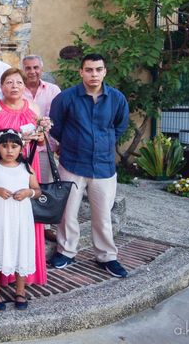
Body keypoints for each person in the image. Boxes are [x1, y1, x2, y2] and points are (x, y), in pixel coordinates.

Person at [49, 54, 130, 278]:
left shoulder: (116, 98)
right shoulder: (66, 98)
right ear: (81, 72)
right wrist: (73, 143)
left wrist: (105, 143)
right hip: (72, 163)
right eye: (89, 70)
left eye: (98, 69)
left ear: (104, 72)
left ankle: (107, 256)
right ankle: (66, 252)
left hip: (104, 167)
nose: (93, 74)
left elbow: (120, 126)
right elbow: (56, 127)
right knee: (68, 212)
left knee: (103, 214)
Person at [0, 67, 47, 286]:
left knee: (24, 216)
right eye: (9, 83)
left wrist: (39, 137)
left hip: (27, 166)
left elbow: (41, 143)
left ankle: (24, 272)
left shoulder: (34, 108)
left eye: (18, 82)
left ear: (24, 85)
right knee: (0, 220)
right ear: (2, 86)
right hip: (0, 168)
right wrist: (10, 139)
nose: (14, 87)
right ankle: (0, 273)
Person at [0, 129, 40, 311]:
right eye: (4, 146)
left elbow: (38, 190)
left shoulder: (26, 167)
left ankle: (20, 290)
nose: (9, 150)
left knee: (20, 247)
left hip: (20, 214)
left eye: (14, 146)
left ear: (21, 149)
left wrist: (28, 192)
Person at [22, 54, 61, 242]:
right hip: (23, 148)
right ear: (23, 70)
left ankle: (44, 226)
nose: (32, 71)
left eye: (35, 67)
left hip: (45, 147)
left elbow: (59, 117)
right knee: (25, 185)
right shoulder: (18, 90)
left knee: (44, 186)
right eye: (28, 68)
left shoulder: (53, 90)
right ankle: (25, 222)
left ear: (41, 69)